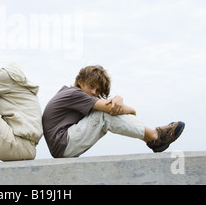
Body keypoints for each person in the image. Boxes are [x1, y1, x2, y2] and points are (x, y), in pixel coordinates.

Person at [42, 65, 185, 158]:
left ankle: (152, 138)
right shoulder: (74, 93)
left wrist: (118, 99)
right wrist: (128, 106)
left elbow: (110, 106)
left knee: (102, 113)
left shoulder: (73, 94)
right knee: (103, 114)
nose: (94, 92)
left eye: (98, 90)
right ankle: (155, 136)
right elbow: (110, 108)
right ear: (80, 81)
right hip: (63, 144)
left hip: (63, 145)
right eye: (91, 86)